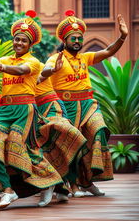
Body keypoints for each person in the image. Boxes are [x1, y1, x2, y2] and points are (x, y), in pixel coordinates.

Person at [0, 10, 68, 209]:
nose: (19, 43)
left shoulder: (33, 62)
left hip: (24, 110)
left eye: (23, 41)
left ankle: (49, 183)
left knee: (18, 148)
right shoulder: (4, 60)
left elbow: (21, 71)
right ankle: (8, 190)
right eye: (17, 39)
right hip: (3, 111)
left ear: (29, 45)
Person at [42, 10, 128, 196]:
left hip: (88, 105)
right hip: (65, 107)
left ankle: (88, 182)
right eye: (73, 38)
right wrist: (50, 71)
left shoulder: (85, 57)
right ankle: (72, 184)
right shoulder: (55, 58)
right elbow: (44, 73)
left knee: (98, 132)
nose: (77, 41)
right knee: (72, 144)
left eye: (80, 38)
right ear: (64, 40)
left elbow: (107, 51)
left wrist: (122, 37)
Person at [35, 61, 87, 200]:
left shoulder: (36, 63)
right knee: (43, 146)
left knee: (66, 138)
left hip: (52, 106)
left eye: (24, 41)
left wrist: (52, 69)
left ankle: (74, 184)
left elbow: (44, 72)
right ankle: (55, 186)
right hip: (32, 110)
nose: (20, 43)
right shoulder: (9, 66)